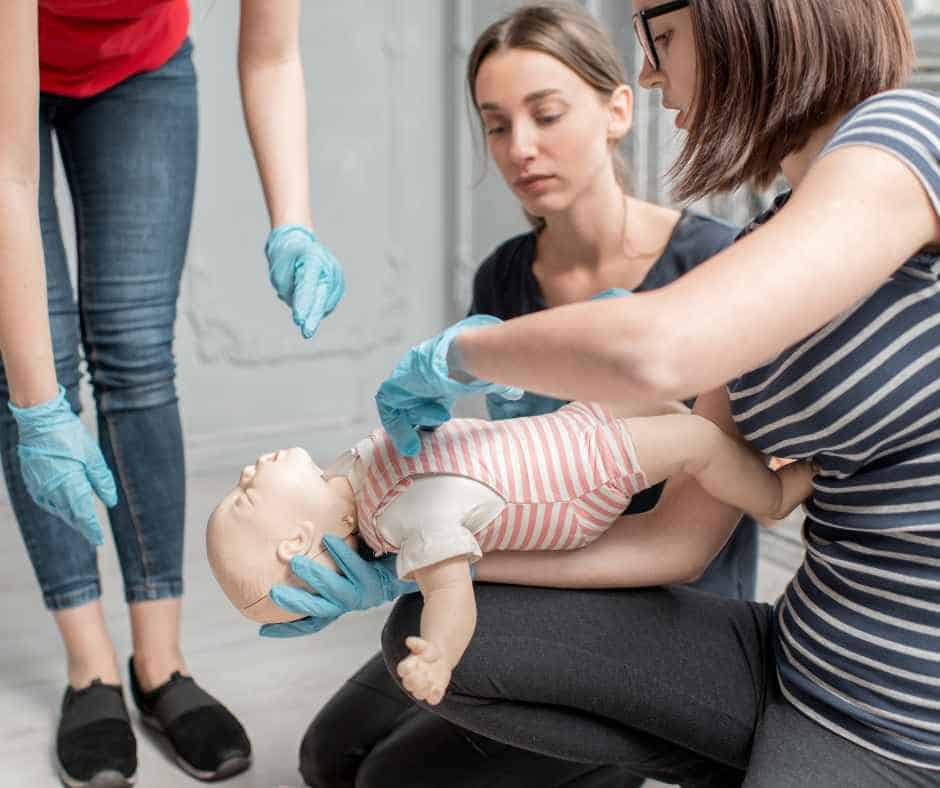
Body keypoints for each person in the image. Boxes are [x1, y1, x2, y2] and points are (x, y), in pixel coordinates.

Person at [367, 0, 940, 784]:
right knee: (423, 634)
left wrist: (463, 352)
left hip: (906, 718)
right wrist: (433, 557)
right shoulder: (757, 249)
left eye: (660, 36)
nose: (645, 67)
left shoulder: (907, 136)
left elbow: (655, 350)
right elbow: (678, 540)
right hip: (801, 655)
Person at [268, 5, 764, 786]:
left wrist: (433, 575)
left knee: (387, 781)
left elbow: (692, 532)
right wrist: (392, 543)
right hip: (533, 566)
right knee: (328, 758)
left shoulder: (714, 268)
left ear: (618, 108)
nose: (520, 149)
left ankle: (613, 751)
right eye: (497, 125)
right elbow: (494, 476)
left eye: (547, 114)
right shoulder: (505, 277)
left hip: (659, 589)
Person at [0, 2, 345, 785]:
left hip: (140, 69)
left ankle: (161, 664)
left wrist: (293, 223)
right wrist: (35, 405)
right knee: (34, 367)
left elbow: (271, 57)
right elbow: (7, 171)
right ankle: (90, 671)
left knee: (136, 355)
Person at [204, 404, 812, 698]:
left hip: (565, 430)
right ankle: (776, 494)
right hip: (577, 480)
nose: (245, 471)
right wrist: (438, 655)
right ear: (295, 541)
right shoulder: (406, 517)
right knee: (697, 440)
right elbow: (452, 595)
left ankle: (758, 464)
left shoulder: (356, 476)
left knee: (673, 413)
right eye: (243, 498)